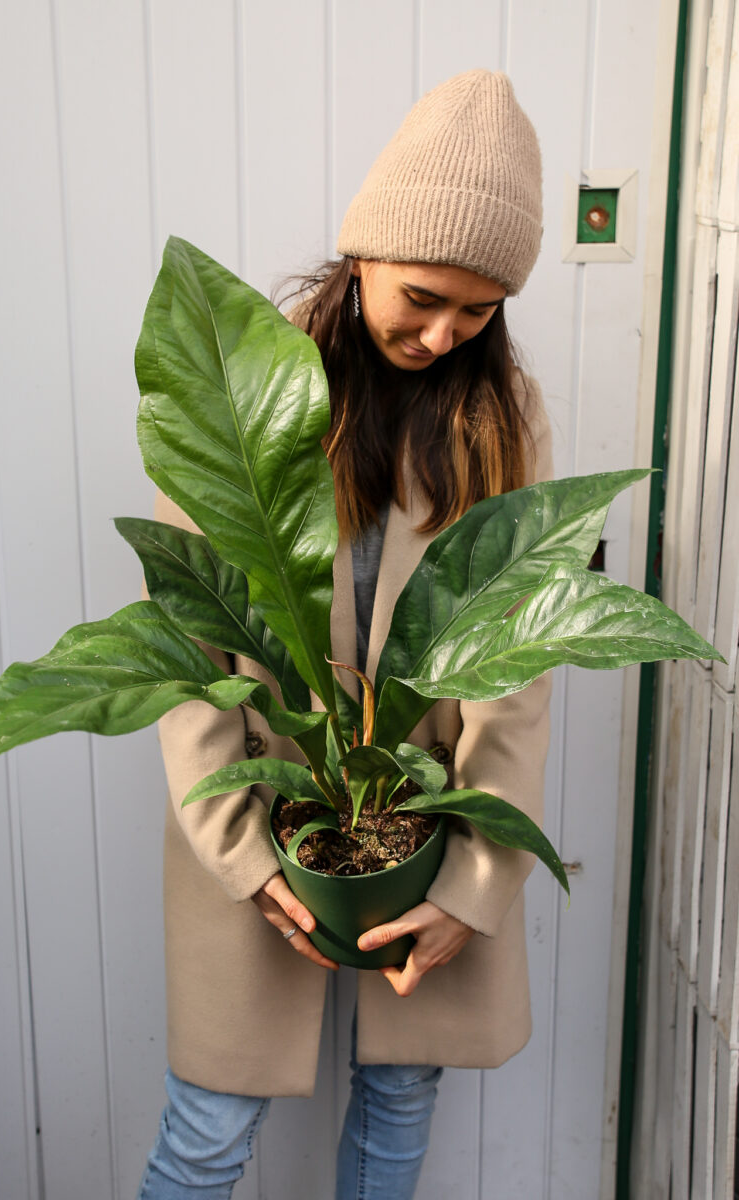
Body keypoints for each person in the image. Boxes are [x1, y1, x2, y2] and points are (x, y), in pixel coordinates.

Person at [137, 69, 552, 1200]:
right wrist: (235, 856)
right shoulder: (243, 392)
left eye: (477, 310)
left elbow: (516, 673)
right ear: (361, 250)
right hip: (265, 817)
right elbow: (192, 650)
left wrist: (474, 886)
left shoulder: (497, 425)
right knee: (209, 1128)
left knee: (399, 1104)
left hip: (424, 825)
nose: (441, 332)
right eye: (421, 294)